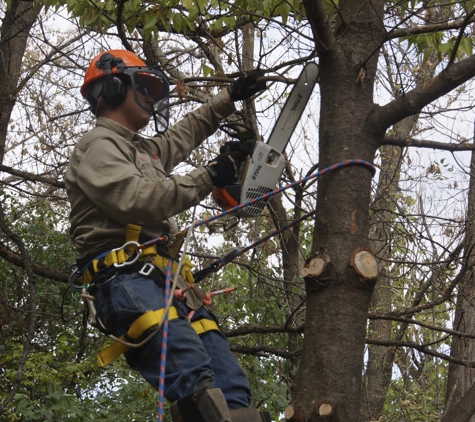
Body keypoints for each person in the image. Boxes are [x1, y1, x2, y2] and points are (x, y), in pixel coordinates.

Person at [65, 49, 269, 422]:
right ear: (111, 89)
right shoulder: (97, 146)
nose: (150, 97)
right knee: (195, 384)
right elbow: (141, 201)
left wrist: (228, 99)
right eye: (142, 87)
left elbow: (183, 134)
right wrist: (210, 174)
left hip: (167, 280)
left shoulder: (142, 150)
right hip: (126, 279)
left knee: (233, 392)